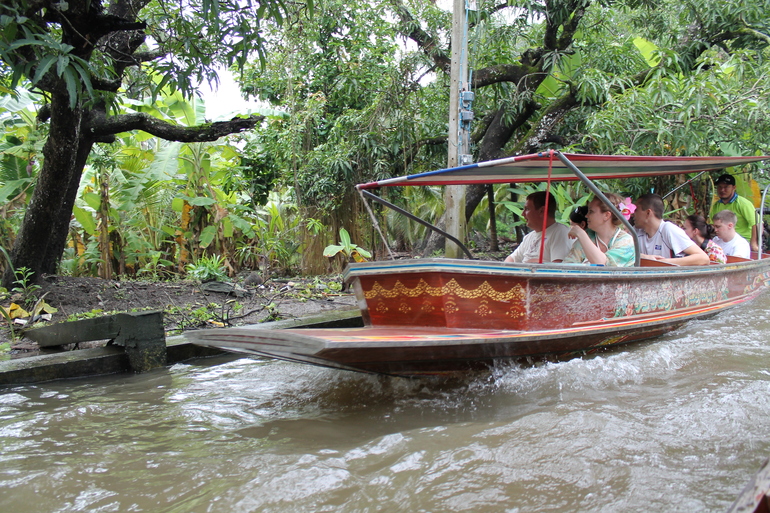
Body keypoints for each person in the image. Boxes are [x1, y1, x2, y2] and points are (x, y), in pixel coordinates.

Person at [633, 193, 709, 265]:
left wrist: (664, 262)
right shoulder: (635, 232)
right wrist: (643, 256)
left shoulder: (668, 229)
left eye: (636, 210)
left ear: (648, 213)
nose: (632, 213)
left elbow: (703, 258)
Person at [564, 193, 635, 266]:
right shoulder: (589, 235)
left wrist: (581, 234)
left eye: (591, 211)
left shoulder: (626, 241)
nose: (586, 215)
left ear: (606, 215)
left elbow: (604, 267)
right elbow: (568, 264)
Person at [505, 191, 573, 263]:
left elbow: (558, 268)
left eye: (527, 209)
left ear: (542, 211)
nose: (522, 214)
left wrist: (532, 263)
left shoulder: (561, 233)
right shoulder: (529, 237)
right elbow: (511, 259)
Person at [709, 173, 758, 252]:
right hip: (723, 240)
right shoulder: (716, 205)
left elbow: (756, 223)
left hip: (743, 241)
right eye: (720, 187)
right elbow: (712, 225)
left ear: (734, 188)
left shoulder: (743, 204)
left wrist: (754, 243)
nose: (722, 190)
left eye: (726, 187)